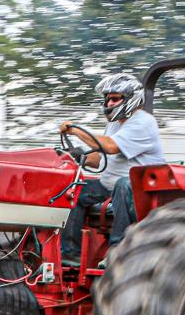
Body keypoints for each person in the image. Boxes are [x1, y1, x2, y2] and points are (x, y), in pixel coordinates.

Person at [58, 72, 167, 264]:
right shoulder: (115, 125)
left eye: (115, 99)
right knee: (71, 190)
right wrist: (78, 155)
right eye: (107, 99)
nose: (109, 104)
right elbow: (99, 158)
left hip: (141, 191)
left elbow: (110, 146)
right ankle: (69, 253)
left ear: (131, 99)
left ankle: (118, 250)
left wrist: (75, 130)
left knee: (124, 184)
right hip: (108, 186)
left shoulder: (143, 123)